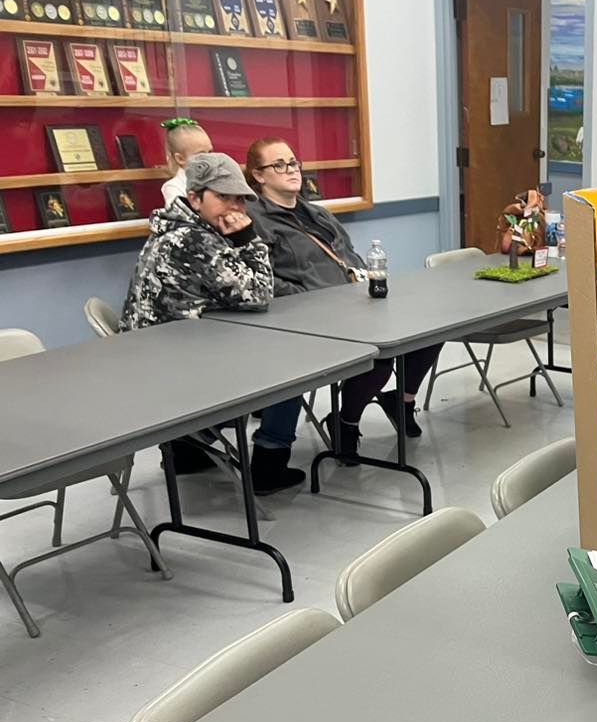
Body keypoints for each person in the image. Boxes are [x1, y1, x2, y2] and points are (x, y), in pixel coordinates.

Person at [244, 138, 443, 460]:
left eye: (294, 162)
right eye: (279, 164)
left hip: (354, 303)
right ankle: (346, 423)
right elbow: (263, 280)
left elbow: (349, 257)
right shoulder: (255, 220)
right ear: (259, 175)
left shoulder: (317, 213)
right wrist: (311, 298)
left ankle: (402, 400)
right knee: (377, 360)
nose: (291, 170)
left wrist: (365, 280)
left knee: (432, 329)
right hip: (309, 319)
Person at [120, 153, 306, 495]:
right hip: (177, 374)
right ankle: (269, 464)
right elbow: (259, 294)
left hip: (155, 357)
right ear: (195, 197)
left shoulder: (174, 226)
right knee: (292, 369)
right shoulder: (195, 240)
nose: (233, 208)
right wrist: (249, 239)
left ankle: (189, 449)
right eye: (223, 197)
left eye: (239, 198)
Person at [159, 118, 212, 208]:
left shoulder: (214, 179)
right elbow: (181, 215)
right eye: (201, 154)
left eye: (210, 152)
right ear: (180, 159)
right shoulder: (173, 187)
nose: (208, 158)